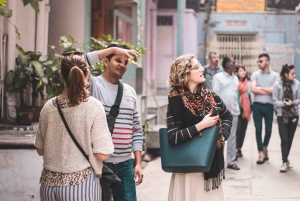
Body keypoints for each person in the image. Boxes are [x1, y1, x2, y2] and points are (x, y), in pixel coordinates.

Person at [35, 52, 114, 200]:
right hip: (81, 184)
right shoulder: (93, 106)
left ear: (61, 76)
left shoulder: (48, 107)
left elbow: (40, 149)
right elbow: (102, 153)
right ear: (87, 74)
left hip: (48, 186)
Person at [167, 54, 233, 201]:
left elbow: (228, 116)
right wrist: (201, 125)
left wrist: (222, 136)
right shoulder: (175, 100)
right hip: (186, 168)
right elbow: (172, 136)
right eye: (196, 67)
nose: (202, 69)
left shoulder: (212, 97)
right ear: (185, 74)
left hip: (209, 167)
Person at [85, 44, 143, 201]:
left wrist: (137, 163)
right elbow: (79, 63)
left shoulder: (130, 92)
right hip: (100, 164)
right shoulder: (94, 85)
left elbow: (136, 129)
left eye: (125, 62)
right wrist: (111, 50)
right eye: (118, 60)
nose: (122, 65)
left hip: (125, 165)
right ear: (105, 61)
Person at [212, 56, 241, 170]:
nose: (235, 64)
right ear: (227, 64)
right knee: (219, 137)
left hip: (234, 112)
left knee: (232, 137)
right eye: (233, 62)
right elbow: (215, 95)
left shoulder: (235, 78)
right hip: (221, 113)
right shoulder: (218, 77)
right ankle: (218, 162)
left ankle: (230, 161)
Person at [251, 53, 279, 164]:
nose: (259, 63)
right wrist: (268, 89)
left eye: (261, 61)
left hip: (269, 106)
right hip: (257, 105)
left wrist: (260, 88)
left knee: (268, 130)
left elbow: (274, 91)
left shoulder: (275, 75)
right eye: (258, 61)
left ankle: (265, 146)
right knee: (258, 130)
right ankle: (260, 153)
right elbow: (253, 89)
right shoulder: (255, 74)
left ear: (267, 62)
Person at [272, 64, 300, 172]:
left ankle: (285, 159)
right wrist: (283, 103)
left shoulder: (297, 84)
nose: (294, 75)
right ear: (286, 74)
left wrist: (293, 102)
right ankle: (284, 162)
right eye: (292, 73)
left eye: (294, 73)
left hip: (294, 115)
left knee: (290, 139)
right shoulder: (277, 85)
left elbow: (299, 99)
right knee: (284, 139)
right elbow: (274, 101)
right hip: (281, 115)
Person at [234, 65, 252, 158]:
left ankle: (239, 148)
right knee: (238, 130)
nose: (243, 72)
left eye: (244, 70)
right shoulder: (234, 82)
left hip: (246, 109)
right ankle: (235, 149)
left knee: (243, 130)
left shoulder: (248, 83)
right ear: (236, 73)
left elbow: (250, 96)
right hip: (237, 109)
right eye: (241, 70)